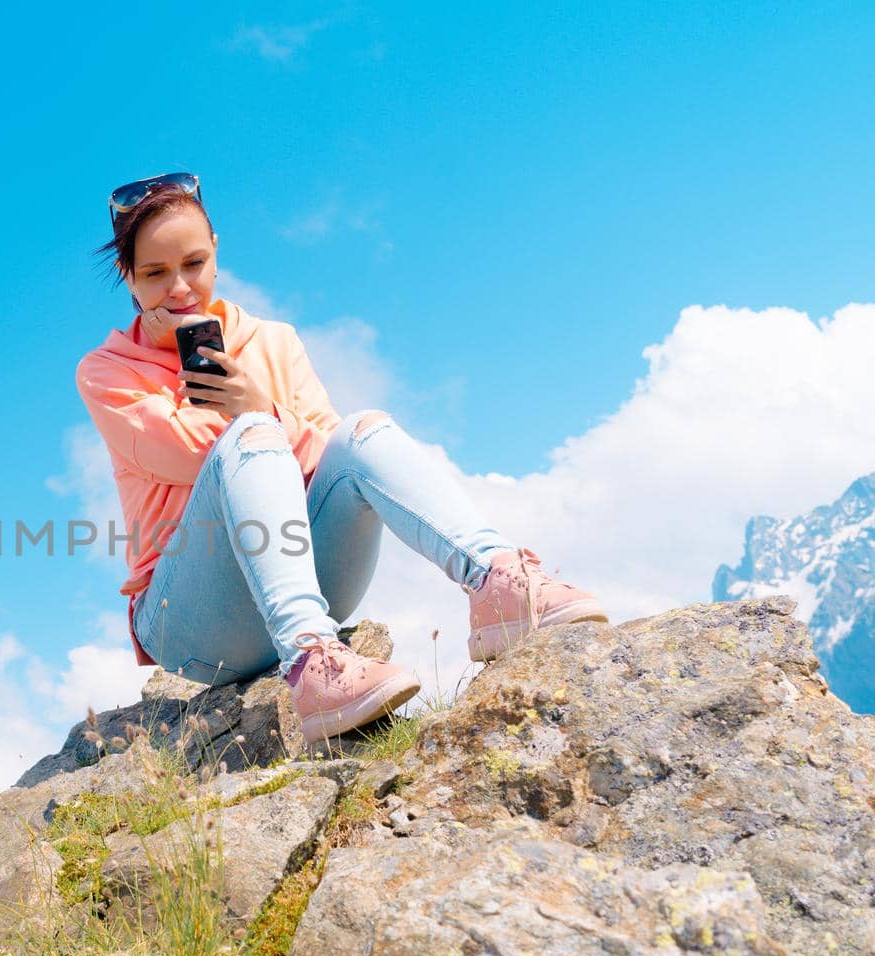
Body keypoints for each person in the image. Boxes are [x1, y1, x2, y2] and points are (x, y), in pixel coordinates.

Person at [74, 172, 608, 743]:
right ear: (129, 277)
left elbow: (334, 457)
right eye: (155, 273)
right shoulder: (107, 372)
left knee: (362, 430)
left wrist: (266, 411)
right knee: (252, 434)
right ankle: (311, 666)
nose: (180, 287)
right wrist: (255, 417)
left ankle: (497, 583)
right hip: (191, 619)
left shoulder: (275, 341)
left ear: (216, 254)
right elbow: (186, 456)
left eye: (194, 263)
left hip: (303, 572)